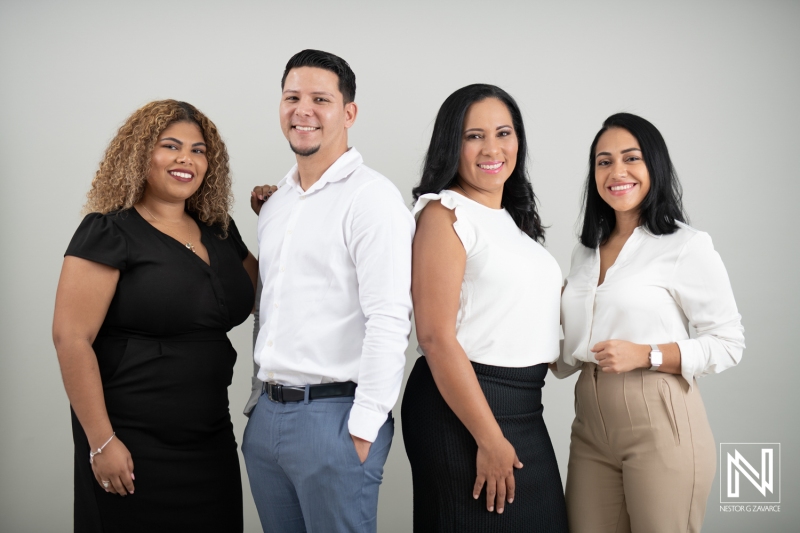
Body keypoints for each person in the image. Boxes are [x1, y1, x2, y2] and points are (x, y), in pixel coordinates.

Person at [52, 100, 256, 532]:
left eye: (199, 150)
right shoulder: (109, 230)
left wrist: (284, 211)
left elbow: (267, 291)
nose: (187, 158)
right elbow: (71, 338)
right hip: (130, 439)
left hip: (210, 434)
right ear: (141, 154)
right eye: (171, 146)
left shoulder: (220, 230)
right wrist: (101, 442)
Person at [241, 49, 414, 533]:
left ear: (348, 113)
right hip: (268, 419)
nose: (303, 110)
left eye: (321, 99)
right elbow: (271, 308)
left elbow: (389, 317)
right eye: (292, 97)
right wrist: (257, 408)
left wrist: (364, 426)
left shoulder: (372, 199)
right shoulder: (277, 204)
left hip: (336, 419)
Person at [554, 112, 745, 532]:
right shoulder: (585, 253)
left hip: (660, 420)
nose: (616, 172)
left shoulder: (685, 245)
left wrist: (648, 354)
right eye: (603, 162)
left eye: (630, 158)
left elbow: (729, 342)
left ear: (653, 166)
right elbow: (567, 354)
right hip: (589, 426)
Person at [401, 84, 569, 532]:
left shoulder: (512, 223)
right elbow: (435, 337)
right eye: (474, 136)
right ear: (450, 144)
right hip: (465, 408)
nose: (492, 148)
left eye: (503, 132)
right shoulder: (443, 214)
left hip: (524, 405)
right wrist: (489, 437)